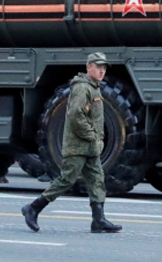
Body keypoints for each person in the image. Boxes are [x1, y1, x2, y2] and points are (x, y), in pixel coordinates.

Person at [21, 53, 122, 234]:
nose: (102, 71)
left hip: (90, 147)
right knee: (66, 180)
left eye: (104, 67)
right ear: (88, 67)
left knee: (97, 180)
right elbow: (76, 116)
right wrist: (92, 136)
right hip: (78, 146)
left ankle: (98, 220)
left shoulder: (94, 87)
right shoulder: (82, 88)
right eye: (98, 67)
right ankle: (33, 208)